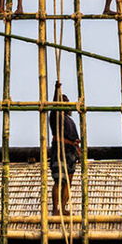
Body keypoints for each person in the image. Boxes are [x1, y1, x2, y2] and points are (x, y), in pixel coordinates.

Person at [47, 81, 81, 216]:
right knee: (59, 180)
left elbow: (75, 140)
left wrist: (78, 151)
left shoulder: (69, 120)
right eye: (65, 102)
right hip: (60, 151)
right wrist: (57, 90)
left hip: (70, 152)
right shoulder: (56, 115)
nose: (68, 104)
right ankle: (55, 209)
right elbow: (55, 104)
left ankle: (63, 207)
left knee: (68, 181)